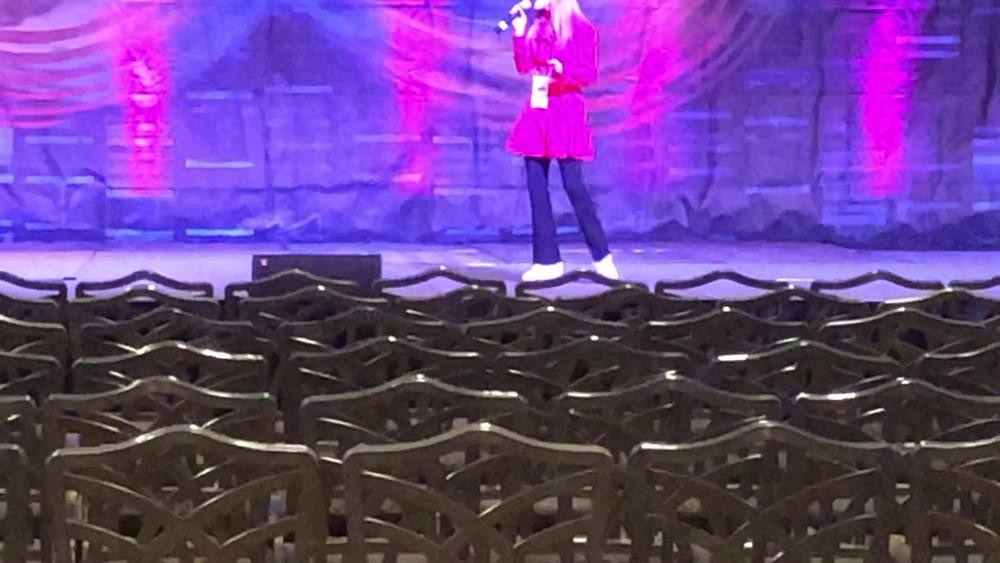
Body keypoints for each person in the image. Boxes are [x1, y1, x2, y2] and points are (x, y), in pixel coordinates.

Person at [507, 0, 618, 282]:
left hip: (566, 110)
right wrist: (519, 33)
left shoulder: (581, 27)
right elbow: (524, 66)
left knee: (573, 185)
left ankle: (602, 255)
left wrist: (562, 70)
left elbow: (589, 74)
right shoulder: (538, 25)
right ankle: (547, 260)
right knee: (536, 185)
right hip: (539, 109)